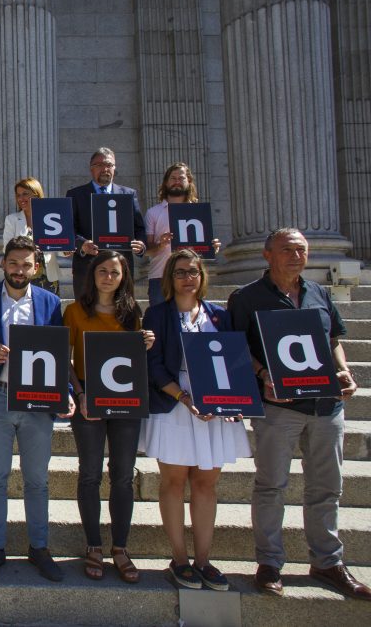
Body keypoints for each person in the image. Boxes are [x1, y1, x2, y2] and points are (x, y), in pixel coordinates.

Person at [227, 228, 367, 601]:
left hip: (326, 406)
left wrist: (345, 371)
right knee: (271, 485)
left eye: (301, 250)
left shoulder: (319, 293)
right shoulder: (246, 298)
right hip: (279, 407)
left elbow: (333, 340)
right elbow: (236, 347)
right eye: (287, 249)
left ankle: (327, 561)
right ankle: (270, 562)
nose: (296, 256)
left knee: (327, 488)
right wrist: (261, 374)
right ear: (267, 254)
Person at [140, 249, 250, 590]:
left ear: (202, 277)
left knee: (206, 484)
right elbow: (154, 365)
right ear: (170, 279)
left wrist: (235, 399)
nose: (188, 277)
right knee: (173, 482)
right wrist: (184, 398)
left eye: (193, 271)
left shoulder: (218, 316)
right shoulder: (157, 315)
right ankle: (179, 559)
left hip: (214, 406)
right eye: (180, 272)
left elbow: (234, 361)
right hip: (175, 403)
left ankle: (204, 559)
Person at [0, 236, 72, 582]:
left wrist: (66, 392)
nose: (19, 270)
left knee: (37, 480)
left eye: (27, 264)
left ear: (37, 267)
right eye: (13, 263)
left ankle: (39, 547)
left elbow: (58, 354)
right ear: (3, 263)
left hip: (37, 401)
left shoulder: (49, 302)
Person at [64, 250, 154, 583]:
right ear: (93, 275)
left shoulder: (133, 312)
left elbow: (135, 357)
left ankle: (120, 547)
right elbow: (65, 360)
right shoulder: (74, 311)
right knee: (89, 473)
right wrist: (81, 394)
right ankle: (93, 546)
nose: (108, 277)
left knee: (122, 474)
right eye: (102, 271)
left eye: (114, 272)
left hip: (124, 395)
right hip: (89, 393)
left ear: (123, 277)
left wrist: (146, 343)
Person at [66, 148, 146, 298]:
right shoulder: (76, 195)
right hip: (87, 267)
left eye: (109, 165)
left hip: (119, 268)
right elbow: (69, 229)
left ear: (115, 168)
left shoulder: (128, 194)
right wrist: (82, 244)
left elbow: (139, 228)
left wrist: (141, 244)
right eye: (99, 165)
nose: (105, 169)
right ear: (91, 168)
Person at [143, 162, 221, 306]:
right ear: (166, 182)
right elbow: (146, 250)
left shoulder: (198, 212)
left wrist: (211, 247)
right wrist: (161, 245)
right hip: (160, 277)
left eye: (181, 178)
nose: (177, 181)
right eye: (173, 178)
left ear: (189, 181)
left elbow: (201, 248)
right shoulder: (153, 212)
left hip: (190, 277)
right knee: (160, 325)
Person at [1, 177, 61, 294]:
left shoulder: (50, 218)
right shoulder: (12, 219)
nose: (21, 198)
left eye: (25, 194)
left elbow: (58, 247)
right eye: (18, 195)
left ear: (36, 195)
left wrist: (66, 250)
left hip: (48, 275)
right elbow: (6, 248)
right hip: (22, 275)